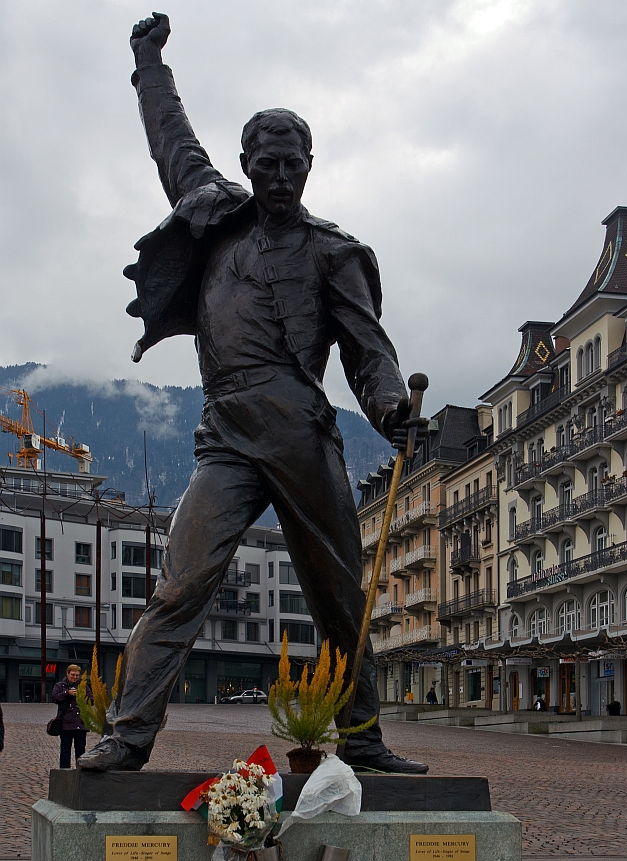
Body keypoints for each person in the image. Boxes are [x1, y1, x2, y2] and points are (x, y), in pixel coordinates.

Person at [78, 13, 428, 775]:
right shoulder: (212, 211)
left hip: (301, 429)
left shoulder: (335, 252)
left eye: (292, 165)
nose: (278, 177)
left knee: (339, 595)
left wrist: (392, 406)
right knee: (180, 586)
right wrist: (147, 63)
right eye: (266, 163)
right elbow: (169, 137)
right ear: (246, 161)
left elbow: (369, 349)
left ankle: (363, 741)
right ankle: (129, 733)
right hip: (225, 431)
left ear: (310, 164)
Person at [52, 665, 88, 769]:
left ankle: (81, 770)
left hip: (80, 724)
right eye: (72, 675)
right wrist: (67, 693)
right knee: (65, 748)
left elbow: (91, 700)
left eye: (77, 675)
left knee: (81, 749)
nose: (75, 677)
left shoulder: (83, 686)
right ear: (67, 674)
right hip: (66, 723)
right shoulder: (59, 685)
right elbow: (55, 698)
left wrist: (82, 695)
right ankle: (64, 770)